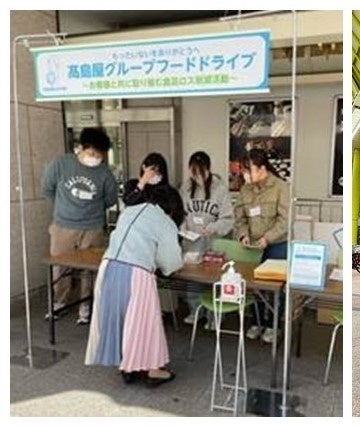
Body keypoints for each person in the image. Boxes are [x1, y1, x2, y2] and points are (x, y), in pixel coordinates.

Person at [85, 184, 183, 387]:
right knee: (145, 322)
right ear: (173, 207)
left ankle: (127, 367)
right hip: (136, 273)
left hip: (108, 268)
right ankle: (153, 370)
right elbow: (171, 263)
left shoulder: (130, 211)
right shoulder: (165, 222)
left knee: (120, 319)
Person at [42, 128, 119, 324]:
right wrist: (63, 208)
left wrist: (92, 209)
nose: (95, 158)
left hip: (92, 227)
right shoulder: (62, 163)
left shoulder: (104, 173)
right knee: (60, 266)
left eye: (99, 155)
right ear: (82, 148)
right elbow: (47, 188)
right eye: (92, 153)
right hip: (63, 225)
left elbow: (110, 199)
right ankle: (59, 302)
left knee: (90, 269)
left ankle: (86, 307)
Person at [234, 149, 290, 344]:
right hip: (253, 247)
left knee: (275, 288)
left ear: (262, 169)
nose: (245, 174)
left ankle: (274, 326)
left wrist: (268, 238)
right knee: (254, 285)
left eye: (248, 170)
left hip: (276, 244)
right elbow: (240, 217)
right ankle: (257, 322)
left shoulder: (281, 187)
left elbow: (285, 220)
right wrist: (243, 235)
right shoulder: (245, 189)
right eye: (244, 170)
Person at [180, 152, 234, 327]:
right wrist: (182, 226)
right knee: (192, 278)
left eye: (200, 172)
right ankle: (195, 310)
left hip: (212, 242)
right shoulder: (185, 188)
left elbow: (228, 219)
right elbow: (180, 213)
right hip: (191, 242)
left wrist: (213, 228)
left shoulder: (220, 189)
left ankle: (215, 315)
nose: (197, 176)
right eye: (193, 172)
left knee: (214, 278)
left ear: (208, 170)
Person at [121, 153, 185, 225]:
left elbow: (178, 215)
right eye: (153, 170)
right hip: (137, 228)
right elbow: (128, 201)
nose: (155, 174)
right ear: (144, 167)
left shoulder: (169, 192)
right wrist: (142, 182)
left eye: (159, 172)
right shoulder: (132, 185)